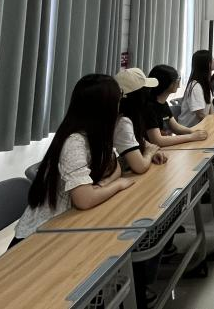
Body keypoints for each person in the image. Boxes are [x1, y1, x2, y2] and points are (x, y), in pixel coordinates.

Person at [13, 74, 135, 243]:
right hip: (42, 232)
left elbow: (115, 168)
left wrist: (101, 185)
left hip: (73, 220)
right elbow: (85, 200)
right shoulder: (74, 142)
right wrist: (118, 185)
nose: (119, 107)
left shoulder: (98, 135)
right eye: (117, 101)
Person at [114, 68, 168, 173]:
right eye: (146, 90)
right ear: (139, 96)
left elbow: (142, 142)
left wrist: (153, 151)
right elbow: (140, 167)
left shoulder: (130, 117)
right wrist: (149, 153)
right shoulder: (122, 123)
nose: (149, 93)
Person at [144, 65, 209, 147]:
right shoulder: (149, 106)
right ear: (166, 83)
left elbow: (176, 127)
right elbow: (157, 140)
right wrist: (191, 136)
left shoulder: (163, 103)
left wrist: (193, 131)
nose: (178, 83)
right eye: (177, 79)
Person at [178, 49, 214, 127]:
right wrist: (212, 125)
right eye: (212, 59)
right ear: (207, 64)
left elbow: (210, 104)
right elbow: (200, 115)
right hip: (190, 128)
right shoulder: (195, 86)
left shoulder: (205, 83)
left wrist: (213, 120)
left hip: (202, 125)